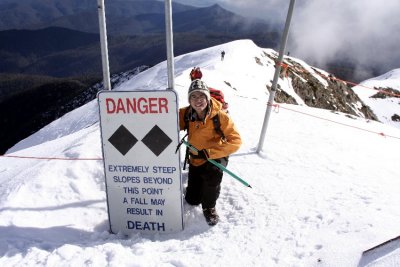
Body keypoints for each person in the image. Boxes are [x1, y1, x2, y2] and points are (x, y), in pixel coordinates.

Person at [179, 79, 242, 226]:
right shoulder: (187, 114)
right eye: (193, 96)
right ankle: (200, 189)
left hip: (215, 157)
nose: (197, 100)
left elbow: (236, 141)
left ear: (208, 97)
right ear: (189, 100)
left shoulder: (220, 117)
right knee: (192, 200)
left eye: (201, 96)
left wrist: (210, 153)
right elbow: (168, 120)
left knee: (213, 175)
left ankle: (209, 207)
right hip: (196, 158)